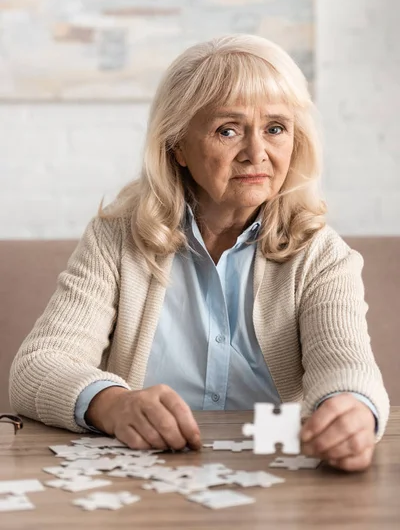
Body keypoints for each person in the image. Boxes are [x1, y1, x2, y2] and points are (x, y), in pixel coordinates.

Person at [9, 34, 389, 472]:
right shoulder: (114, 240)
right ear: (177, 148)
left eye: (276, 129)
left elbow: (348, 368)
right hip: (141, 475)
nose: (256, 153)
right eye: (228, 130)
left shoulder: (322, 255)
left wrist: (353, 412)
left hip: (278, 480)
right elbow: (37, 367)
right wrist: (113, 405)